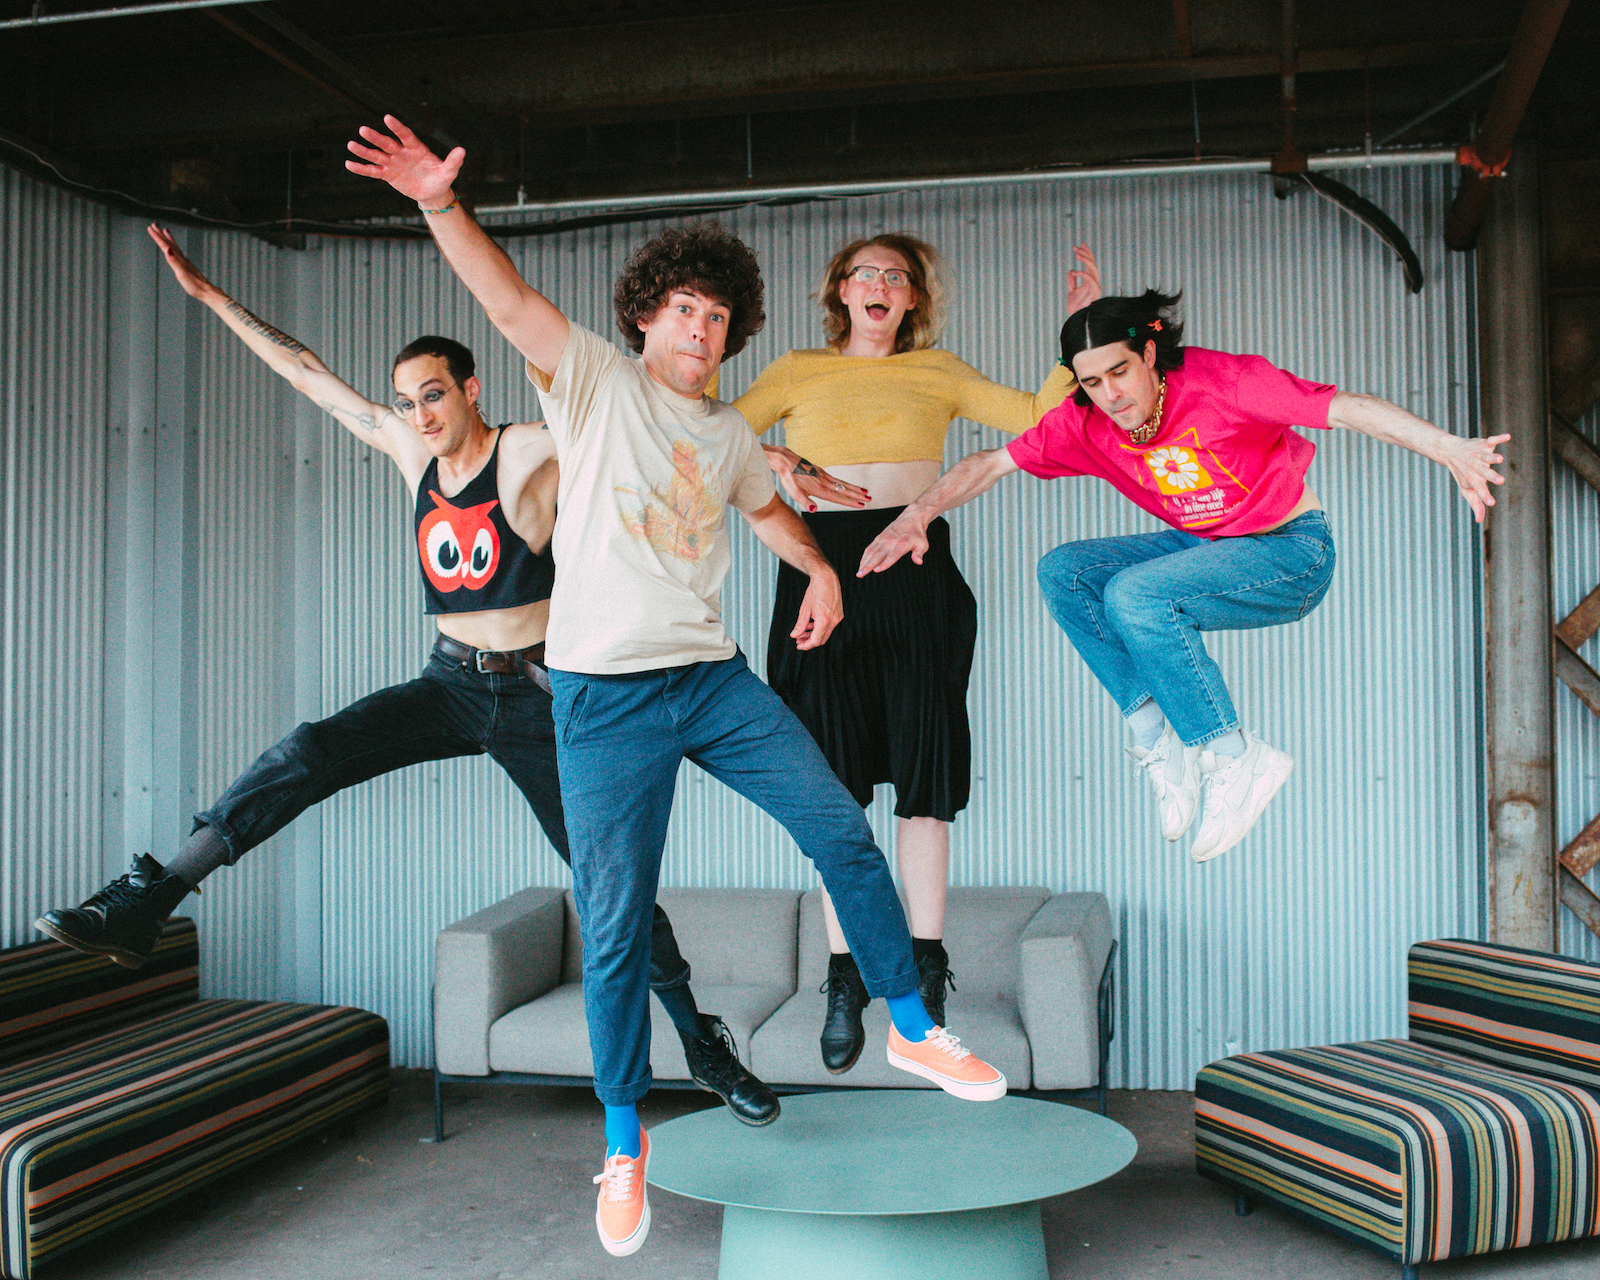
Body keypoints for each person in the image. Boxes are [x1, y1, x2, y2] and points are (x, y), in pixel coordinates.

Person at [346, 114, 1009, 1260]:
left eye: (717, 317)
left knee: (839, 830)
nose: (700, 330)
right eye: (684, 310)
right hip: (601, 698)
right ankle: (622, 1140)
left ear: (731, 333)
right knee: (613, 923)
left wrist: (820, 571)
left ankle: (909, 1021)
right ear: (645, 316)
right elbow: (507, 301)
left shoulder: (729, 434)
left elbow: (772, 512)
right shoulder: (592, 383)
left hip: (710, 681)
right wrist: (440, 205)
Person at [34, 224, 780, 1128]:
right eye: (406, 401)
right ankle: (152, 895)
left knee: (609, 884)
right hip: (450, 683)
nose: (420, 413)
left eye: (434, 395)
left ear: (470, 390)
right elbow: (306, 372)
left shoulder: (531, 449)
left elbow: (661, 435)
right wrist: (211, 299)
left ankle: (700, 1042)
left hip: (543, 695)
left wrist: (772, 461)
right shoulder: (412, 454)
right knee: (310, 751)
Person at [859, 288, 1508, 861]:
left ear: (1150, 353)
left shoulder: (1224, 382)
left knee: (1135, 594)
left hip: (1291, 551)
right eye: (1092, 382)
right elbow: (988, 463)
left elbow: (1348, 408)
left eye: (1120, 372)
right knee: (1066, 572)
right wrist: (917, 515)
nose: (1111, 396)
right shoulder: (1085, 422)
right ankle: (1157, 732)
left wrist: (1448, 447)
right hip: (1206, 544)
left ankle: (1235, 756)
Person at [730, 235, 1100, 1072]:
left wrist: (1075, 336)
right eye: (864, 272)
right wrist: (775, 454)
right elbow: (703, 433)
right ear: (841, 291)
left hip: (917, 567)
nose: (880, 284)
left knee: (925, 779)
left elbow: (1040, 421)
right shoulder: (796, 371)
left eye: (896, 277)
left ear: (911, 299)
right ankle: (844, 976)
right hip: (820, 569)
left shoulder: (939, 371)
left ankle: (927, 973)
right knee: (833, 788)